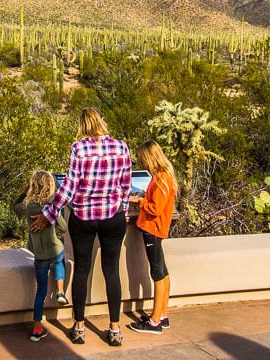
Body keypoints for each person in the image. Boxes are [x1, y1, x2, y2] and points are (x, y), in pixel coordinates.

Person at [30, 107, 132, 347]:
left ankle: (79, 327)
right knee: (112, 271)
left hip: (84, 217)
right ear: (101, 121)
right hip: (113, 217)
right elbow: (125, 184)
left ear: (83, 125)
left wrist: (48, 213)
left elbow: (70, 187)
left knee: (82, 270)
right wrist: (123, 211)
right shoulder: (121, 147)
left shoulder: (79, 148)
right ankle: (115, 329)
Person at [12, 170, 69, 342]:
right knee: (61, 259)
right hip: (54, 249)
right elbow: (64, 228)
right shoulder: (50, 208)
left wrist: (23, 192)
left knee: (41, 291)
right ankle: (60, 291)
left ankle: (37, 328)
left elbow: (14, 206)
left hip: (39, 255)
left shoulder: (29, 207)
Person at [127, 140, 177, 334]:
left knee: (157, 273)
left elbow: (155, 208)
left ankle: (155, 321)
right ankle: (162, 314)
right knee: (162, 271)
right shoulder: (164, 176)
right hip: (156, 229)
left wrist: (140, 201)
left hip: (153, 229)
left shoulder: (161, 179)